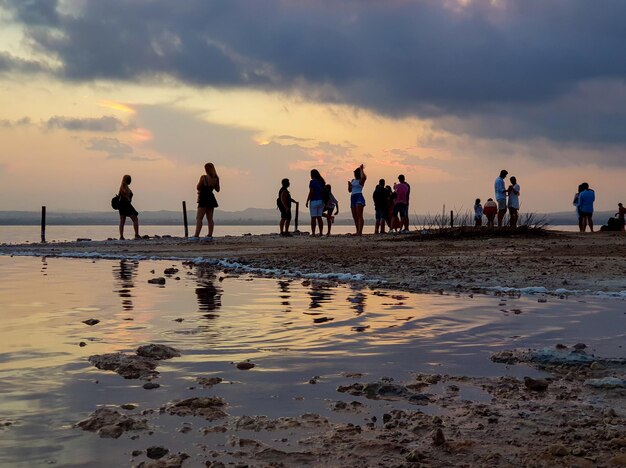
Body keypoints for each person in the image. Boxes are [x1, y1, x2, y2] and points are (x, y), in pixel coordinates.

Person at [193, 162, 220, 239]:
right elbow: (218, 189)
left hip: (203, 198)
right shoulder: (216, 178)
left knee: (199, 218)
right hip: (211, 198)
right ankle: (210, 235)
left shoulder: (203, 177)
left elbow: (198, 187)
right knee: (210, 219)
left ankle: (196, 235)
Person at [117, 174, 140, 240]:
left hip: (122, 205)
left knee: (122, 221)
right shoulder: (124, 186)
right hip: (126, 205)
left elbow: (120, 195)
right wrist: (127, 197)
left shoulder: (122, 186)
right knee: (135, 218)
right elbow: (125, 193)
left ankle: (121, 236)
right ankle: (136, 234)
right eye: (129, 179)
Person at [348, 164, 367, 236]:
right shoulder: (353, 180)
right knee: (354, 215)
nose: (354, 175)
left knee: (359, 215)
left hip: (359, 196)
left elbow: (364, 177)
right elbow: (350, 190)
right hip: (353, 197)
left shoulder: (361, 180)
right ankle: (357, 231)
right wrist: (349, 186)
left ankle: (360, 232)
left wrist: (361, 169)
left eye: (355, 173)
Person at [306, 169, 326, 237]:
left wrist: (307, 200)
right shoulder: (321, 182)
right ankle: (321, 233)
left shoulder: (312, 182)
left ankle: (313, 233)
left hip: (314, 200)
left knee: (313, 218)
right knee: (319, 217)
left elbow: (311, 192)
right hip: (321, 201)